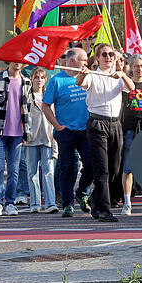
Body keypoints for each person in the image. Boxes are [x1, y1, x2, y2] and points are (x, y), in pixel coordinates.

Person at [76, 43, 135, 222]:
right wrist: (82, 73)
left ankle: (95, 199)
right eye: (104, 54)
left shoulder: (119, 77)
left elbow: (132, 88)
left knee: (115, 168)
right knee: (101, 168)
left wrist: (123, 73)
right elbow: (80, 83)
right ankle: (104, 208)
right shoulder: (93, 76)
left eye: (111, 54)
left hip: (115, 124)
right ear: (98, 58)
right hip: (97, 123)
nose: (108, 57)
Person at [42, 47, 94, 218]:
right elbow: (45, 105)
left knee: (91, 164)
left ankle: (82, 193)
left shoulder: (88, 77)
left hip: (85, 129)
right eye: (83, 60)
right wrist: (57, 125)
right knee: (67, 168)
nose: (86, 63)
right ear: (72, 61)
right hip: (66, 131)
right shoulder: (57, 81)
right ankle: (68, 204)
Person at [0, 61, 31, 217]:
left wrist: (27, 132)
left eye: (21, 61)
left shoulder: (26, 82)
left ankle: (10, 202)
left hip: (17, 133)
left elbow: (27, 109)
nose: (18, 63)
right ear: (8, 61)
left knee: (14, 170)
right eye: (15, 60)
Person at [121, 54, 142, 216]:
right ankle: (127, 203)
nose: (139, 69)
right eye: (136, 66)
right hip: (131, 130)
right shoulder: (126, 85)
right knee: (128, 168)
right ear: (131, 67)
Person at [24, 67, 58, 213]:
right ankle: (35, 203)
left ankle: (50, 202)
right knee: (32, 172)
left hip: (48, 138)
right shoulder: (26, 96)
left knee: (48, 171)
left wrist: (55, 141)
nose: (39, 80)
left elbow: (55, 118)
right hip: (31, 139)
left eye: (42, 77)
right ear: (31, 78)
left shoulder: (49, 97)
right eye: (36, 77)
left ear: (45, 80)